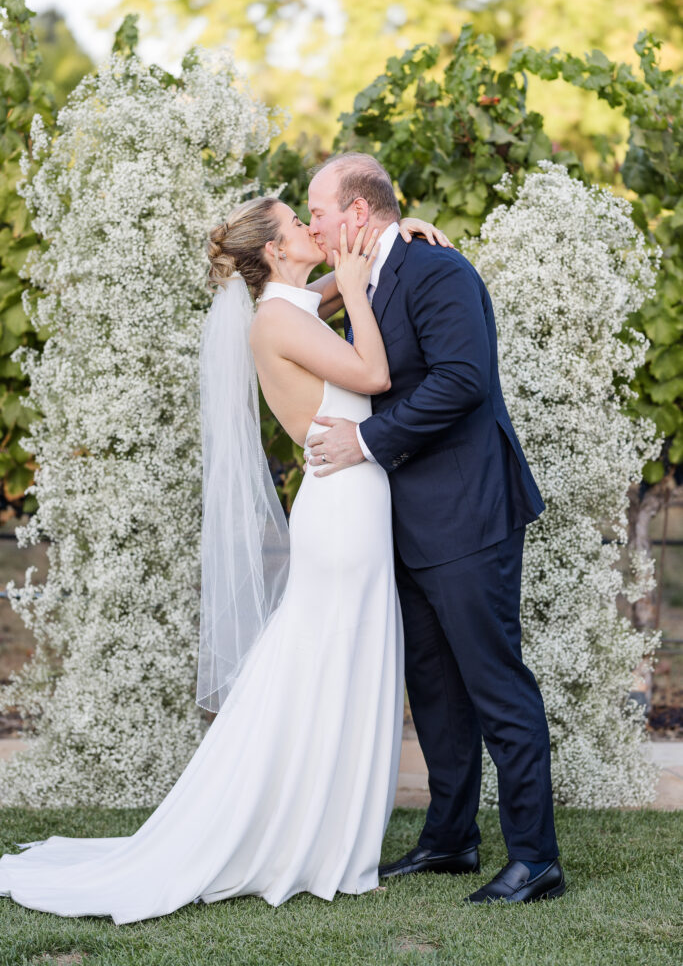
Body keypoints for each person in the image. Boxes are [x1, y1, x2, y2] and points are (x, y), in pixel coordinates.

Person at [0, 198, 449, 924]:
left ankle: (321, 825)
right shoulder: (276, 320)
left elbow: (332, 288)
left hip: (352, 500)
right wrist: (361, 286)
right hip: (341, 509)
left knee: (330, 659)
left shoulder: (288, 306)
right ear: (274, 251)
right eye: (297, 223)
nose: (313, 228)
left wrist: (394, 242)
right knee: (324, 659)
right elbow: (371, 374)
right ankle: (294, 832)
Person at [305, 152, 565, 905]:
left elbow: (462, 380)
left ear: (355, 212)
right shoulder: (370, 275)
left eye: (319, 210)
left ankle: (535, 859)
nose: (313, 222)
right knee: (437, 689)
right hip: (406, 521)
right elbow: (294, 308)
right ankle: (449, 839)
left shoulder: (439, 272)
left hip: (467, 513)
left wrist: (364, 443)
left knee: (494, 683)